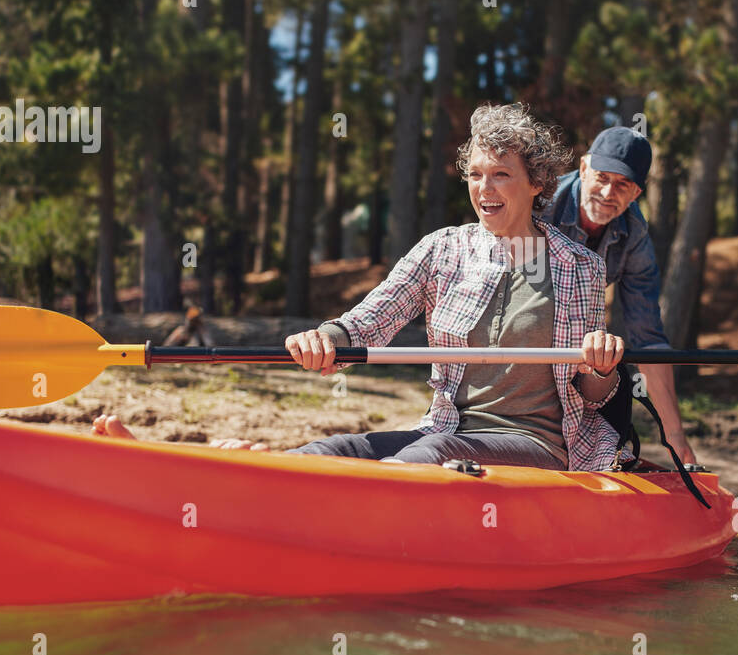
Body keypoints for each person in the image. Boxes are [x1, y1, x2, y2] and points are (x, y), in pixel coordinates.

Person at [94, 104, 625, 469]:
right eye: (475, 174)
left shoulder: (576, 266)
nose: (484, 189)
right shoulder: (443, 248)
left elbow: (589, 394)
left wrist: (601, 368)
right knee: (336, 447)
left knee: (430, 456)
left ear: (535, 183)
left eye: (501, 175)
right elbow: (373, 319)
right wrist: (327, 337)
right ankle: (211, 477)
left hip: (537, 442)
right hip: (446, 428)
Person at [543, 125, 697, 464]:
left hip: (581, 349)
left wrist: (675, 437)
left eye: (623, 184)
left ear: (636, 193)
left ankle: (606, 469)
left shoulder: (635, 236)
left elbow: (648, 339)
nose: (608, 192)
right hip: (524, 341)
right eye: (601, 177)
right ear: (583, 168)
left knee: (618, 377)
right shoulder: (542, 205)